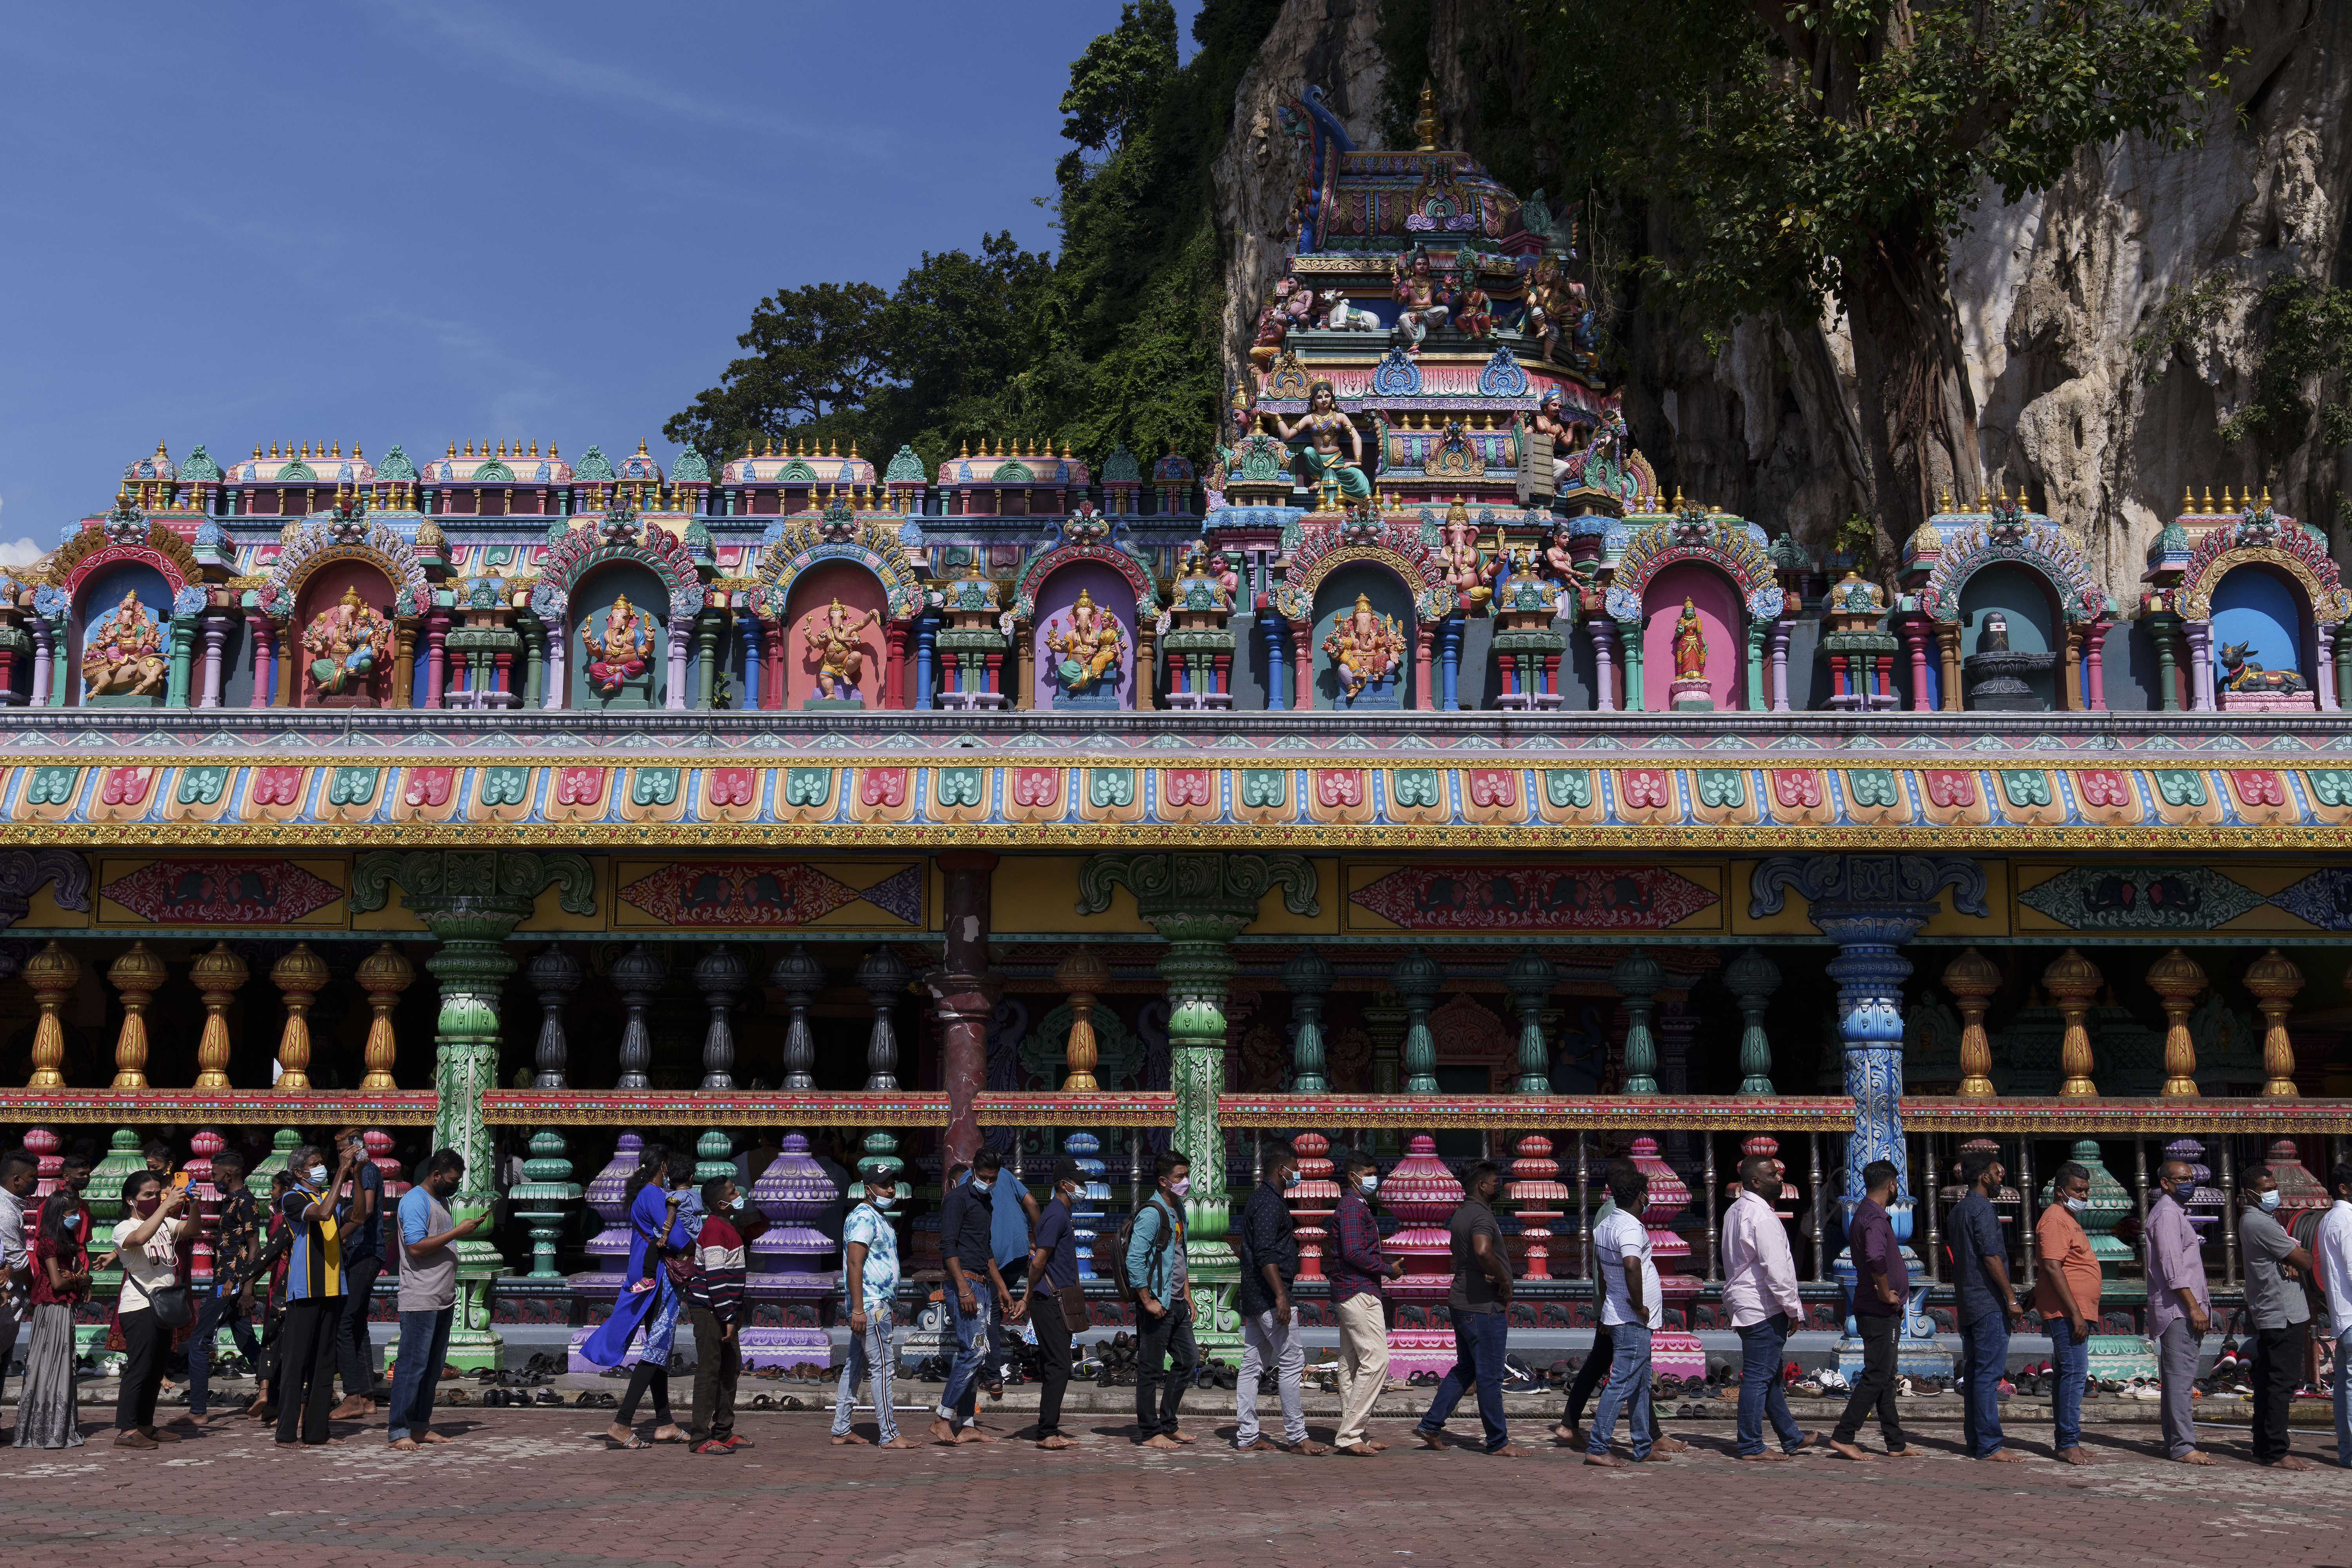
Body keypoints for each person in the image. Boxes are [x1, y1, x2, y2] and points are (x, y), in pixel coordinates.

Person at [582, 1146, 694, 1448]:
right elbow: (679, 1238)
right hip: (659, 1281)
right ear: (664, 1166)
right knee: (657, 1347)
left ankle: (665, 1423)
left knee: (659, 1352)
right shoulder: (655, 1195)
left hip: (643, 1277)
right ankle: (622, 1423)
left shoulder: (641, 1195)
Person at [1412, 1160, 1522, 1456]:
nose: (1497, 1187)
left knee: (1467, 1369)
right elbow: (1483, 1250)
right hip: (1483, 1307)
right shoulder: (1482, 1217)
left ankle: (1431, 1424)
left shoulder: (1461, 1214)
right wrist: (1501, 1278)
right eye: (1494, 1182)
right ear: (1482, 1186)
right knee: (1489, 1375)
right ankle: (1498, 1440)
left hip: (1462, 1301)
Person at [1821, 1159, 1917, 1461]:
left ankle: (1896, 1442)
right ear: (1891, 1185)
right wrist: (1886, 1291)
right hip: (1878, 1310)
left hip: (1877, 1308)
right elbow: (1876, 1258)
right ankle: (1844, 1434)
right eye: (1896, 1185)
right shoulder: (1874, 1218)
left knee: (1886, 1376)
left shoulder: (1864, 1212)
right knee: (1877, 1375)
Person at [387, 1149, 480, 1451]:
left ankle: (419, 1426)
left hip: (442, 1297)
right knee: (411, 1367)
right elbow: (415, 1247)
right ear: (436, 1174)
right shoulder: (415, 1201)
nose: (455, 1186)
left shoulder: (441, 1202)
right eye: (452, 1180)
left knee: (431, 1369)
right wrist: (458, 1231)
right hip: (421, 1298)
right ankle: (398, 1429)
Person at [1235, 1140, 1321, 1454]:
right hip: (1270, 1295)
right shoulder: (1270, 1204)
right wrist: (1281, 1296)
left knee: (1252, 1364)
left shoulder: (1262, 1199)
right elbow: (1267, 1254)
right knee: (1292, 1360)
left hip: (1257, 1296)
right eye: (1295, 1169)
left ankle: (1247, 1435)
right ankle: (1297, 1436)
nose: (1296, 1174)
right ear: (1281, 1169)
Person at [1721, 1151, 1806, 1461]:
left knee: (1769, 1376)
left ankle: (1791, 1437)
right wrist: (1792, 1308)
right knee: (1759, 1377)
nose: (1779, 1179)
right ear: (1756, 1181)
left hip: (1746, 1303)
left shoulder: (1735, 1211)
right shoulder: (1762, 1217)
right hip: (1763, 1306)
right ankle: (1751, 1444)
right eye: (1773, 1175)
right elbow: (1778, 1270)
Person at [929, 1147, 1014, 1445]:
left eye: (993, 1179)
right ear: (973, 1172)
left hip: (983, 1284)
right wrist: (963, 1288)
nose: (988, 1183)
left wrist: (1002, 1288)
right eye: (984, 1177)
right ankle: (942, 1418)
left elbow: (986, 1250)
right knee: (973, 1352)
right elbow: (948, 1247)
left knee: (976, 1355)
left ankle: (966, 1423)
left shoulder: (986, 1201)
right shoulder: (956, 1199)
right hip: (965, 1284)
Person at [1586, 1160, 1666, 1466]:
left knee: (1640, 1383)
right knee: (1621, 1382)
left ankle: (1643, 1445)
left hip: (1620, 1313)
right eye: (1646, 1194)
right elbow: (1632, 1265)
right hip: (1631, 1317)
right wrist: (1638, 1305)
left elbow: (1605, 1273)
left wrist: (1612, 1303)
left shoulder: (1607, 1225)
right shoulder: (1630, 1227)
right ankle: (1597, 1446)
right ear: (1641, 1196)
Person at [1948, 1148, 2024, 1462]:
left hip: (1968, 1302)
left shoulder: (1957, 1211)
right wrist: (2011, 1297)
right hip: (1987, 1303)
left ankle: (1977, 1441)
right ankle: (1990, 1443)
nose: (2000, 1178)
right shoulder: (1982, 1210)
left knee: (1977, 1374)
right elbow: (1991, 1256)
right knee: (1988, 1375)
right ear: (1984, 1177)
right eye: (1996, 1172)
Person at [2236, 1163, 2315, 1469]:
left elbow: (2292, 1258)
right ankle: (2278, 1451)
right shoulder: (2261, 1223)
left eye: (2273, 1188)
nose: (2273, 1194)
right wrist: (2297, 1254)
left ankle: (2263, 1447)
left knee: (2268, 1383)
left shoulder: (2257, 1220)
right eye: (2266, 1190)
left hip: (2274, 1310)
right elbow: (2305, 1260)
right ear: (2250, 1193)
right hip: (2283, 1314)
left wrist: (2292, 1256)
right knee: (2281, 1385)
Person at [1328, 1147, 1405, 1456]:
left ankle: (1355, 1431)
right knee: (1377, 1360)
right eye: (1370, 1175)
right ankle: (1350, 1433)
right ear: (1354, 1177)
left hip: (1356, 1289)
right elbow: (1353, 1253)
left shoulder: (1358, 1206)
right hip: (1357, 1290)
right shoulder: (1351, 1208)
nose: (1375, 1179)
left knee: (1353, 1364)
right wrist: (1389, 1269)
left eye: (1375, 1174)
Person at [276, 1144, 352, 1446]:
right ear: (299, 1172)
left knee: (324, 1363)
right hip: (305, 1289)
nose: (322, 1167)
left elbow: (360, 1215)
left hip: (333, 1286)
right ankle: (285, 1433)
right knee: (296, 1363)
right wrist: (342, 1172)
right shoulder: (293, 1197)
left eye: (323, 1162)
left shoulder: (327, 1195)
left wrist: (357, 1174)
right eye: (316, 1163)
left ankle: (317, 1432)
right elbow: (321, 1214)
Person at [831, 1167, 913, 1448]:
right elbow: (855, 1262)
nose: (890, 1190)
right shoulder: (864, 1217)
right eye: (883, 1185)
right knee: (884, 1367)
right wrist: (857, 1309)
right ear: (868, 1189)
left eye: (892, 1185)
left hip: (873, 1304)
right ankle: (889, 1434)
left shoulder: (878, 1217)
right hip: (871, 1305)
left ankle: (841, 1428)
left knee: (855, 1364)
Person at [111, 1169, 192, 1448]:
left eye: (158, 1193)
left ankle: (145, 1425)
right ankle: (126, 1430)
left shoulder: (167, 1222)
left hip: (163, 1307)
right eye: (148, 1195)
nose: (155, 1198)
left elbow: (191, 1231)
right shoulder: (123, 1227)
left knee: (157, 1370)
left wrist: (193, 1206)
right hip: (139, 1306)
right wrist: (166, 1207)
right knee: (139, 1369)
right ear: (131, 1200)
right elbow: (139, 1238)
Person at [15, 1181, 98, 1448]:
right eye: (71, 1213)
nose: (76, 1218)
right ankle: (45, 1428)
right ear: (59, 1214)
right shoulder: (49, 1241)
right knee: (50, 1364)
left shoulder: (66, 1240)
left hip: (61, 1305)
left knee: (57, 1364)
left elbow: (78, 1277)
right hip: (52, 1306)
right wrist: (80, 1280)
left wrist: (80, 1279)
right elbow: (58, 1282)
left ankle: (52, 1425)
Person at [2031, 1160, 2102, 1466]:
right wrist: (2075, 1313)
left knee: (2068, 1374)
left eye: (2086, 1191)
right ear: (2061, 1191)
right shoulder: (2055, 1219)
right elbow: (2051, 1267)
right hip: (2066, 1311)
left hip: (2075, 1309)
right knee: (2074, 1374)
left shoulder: (2068, 1219)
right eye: (2078, 1190)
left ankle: (2067, 1439)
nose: (2084, 1196)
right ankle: (2068, 1441)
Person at [188, 1150, 264, 1424]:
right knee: (246, 1340)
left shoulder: (245, 1202)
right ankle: (275, 1395)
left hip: (229, 1284)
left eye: (215, 1174)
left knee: (199, 1343)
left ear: (228, 1175)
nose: (213, 1179)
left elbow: (254, 1248)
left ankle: (197, 1411)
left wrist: (246, 1288)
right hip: (227, 1281)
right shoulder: (231, 1202)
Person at [2146, 1156, 2213, 1465]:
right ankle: (2183, 1446)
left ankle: (2177, 1443)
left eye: (2191, 1179)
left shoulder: (2175, 1213)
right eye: (2182, 1179)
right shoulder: (2167, 1216)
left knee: (2178, 1380)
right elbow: (2173, 1269)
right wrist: (2194, 1308)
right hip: (2179, 1311)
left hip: (2183, 1309)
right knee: (2180, 1380)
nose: (2189, 1184)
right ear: (2165, 1183)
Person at [1127, 1152, 1196, 1450]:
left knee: (1189, 1360)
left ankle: (1168, 1424)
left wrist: (1189, 1295)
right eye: (1180, 1177)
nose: (1185, 1182)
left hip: (1177, 1301)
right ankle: (1149, 1431)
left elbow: (1179, 1256)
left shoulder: (1177, 1209)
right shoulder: (1152, 1213)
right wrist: (1147, 1301)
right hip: (1158, 1303)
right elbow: (1135, 1259)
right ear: (1164, 1180)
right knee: (1151, 1370)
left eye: (1186, 1175)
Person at [1014, 1159, 1086, 1449]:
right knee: (1058, 1364)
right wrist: (1028, 1296)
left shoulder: (1061, 1214)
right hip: (1050, 1299)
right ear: (1063, 1184)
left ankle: (1050, 1428)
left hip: (1056, 1297)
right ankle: (1047, 1432)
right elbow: (1039, 1262)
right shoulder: (1056, 1216)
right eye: (1078, 1182)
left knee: (1057, 1363)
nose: (1082, 1187)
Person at [327, 1127, 387, 1422]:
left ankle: (353, 1395)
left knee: (344, 1323)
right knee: (357, 1323)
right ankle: (367, 1397)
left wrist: (337, 1237)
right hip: (358, 1254)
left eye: (343, 1150)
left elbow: (365, 1212)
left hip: (366, 1252)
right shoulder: (358, 1174)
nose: (340, 1156)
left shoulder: (368, 1173)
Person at [686, 1174, 747, 1456]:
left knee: (730, 1368)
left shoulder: (726, 1226)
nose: (739, 1195)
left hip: (724, 1310)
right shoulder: (713, 1230)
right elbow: (715, 1278)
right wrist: (728, 1317)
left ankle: (724, 1431)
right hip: (711, 1310)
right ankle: (700, 1438)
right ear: (722, 1203)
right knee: (710, 1371)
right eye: (734, 1192)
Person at [2312, 1159, 2352, 1470]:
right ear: (2344, 1188)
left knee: (2344, 1384)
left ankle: (2347, 1451)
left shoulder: (2329, 1219)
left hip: (2343, 1315)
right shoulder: (2347, 1219)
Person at [0, 1148, 36, 1439]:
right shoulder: (5, 1212)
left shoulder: (10, 1207)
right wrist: (35, 1290)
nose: (34, 1183)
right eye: (31, 1178)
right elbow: (19, 1260)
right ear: (16, 1180)